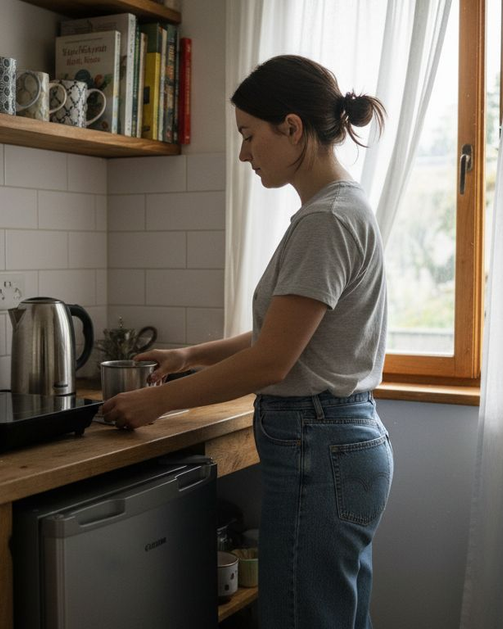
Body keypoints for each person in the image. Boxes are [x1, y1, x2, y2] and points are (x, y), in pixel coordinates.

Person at [99, 54, 393, 629]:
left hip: (319, 445)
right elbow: (283, 335)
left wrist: (158, 401)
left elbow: (271, 362)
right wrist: (189, 355)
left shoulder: (326, 221)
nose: (243, 153)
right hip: (342, 443)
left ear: (292, 127)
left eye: (248, 134)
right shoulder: (341, 207)